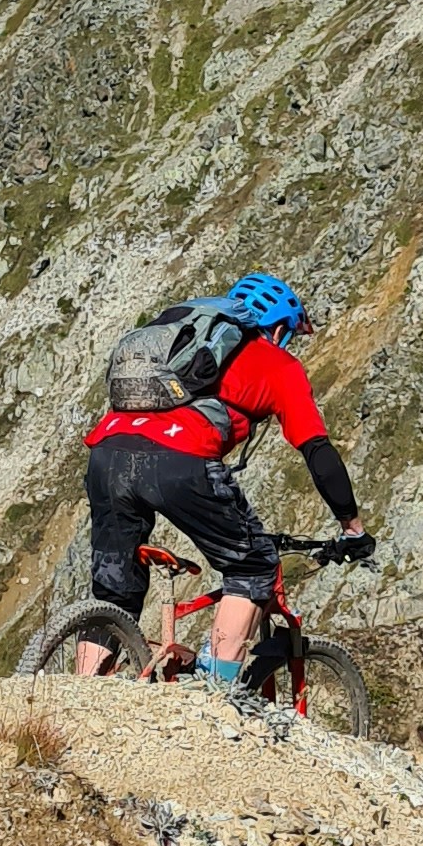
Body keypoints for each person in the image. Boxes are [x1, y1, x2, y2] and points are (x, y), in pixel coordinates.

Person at [80, 272, 374, 698]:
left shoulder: (182, 346)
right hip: (180, 459)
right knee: (253, 567)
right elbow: (318, 453)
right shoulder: (278, 364)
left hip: (107, 452)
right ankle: (211, 697)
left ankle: (77, 695)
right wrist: (352, 527)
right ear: (278, 329)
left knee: (115, 589)